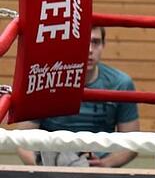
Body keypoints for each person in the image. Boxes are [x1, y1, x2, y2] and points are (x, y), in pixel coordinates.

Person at [15, 26, 140, 168]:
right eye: (83, 41)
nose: (89, 50)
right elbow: (22, 140)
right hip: (51, 161)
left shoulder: (120, 83)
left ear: (103, 45)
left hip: (97, 170)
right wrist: (44, 168)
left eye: (96, 42)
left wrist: (105, 165)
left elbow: (132, 143)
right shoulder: (45, 80)